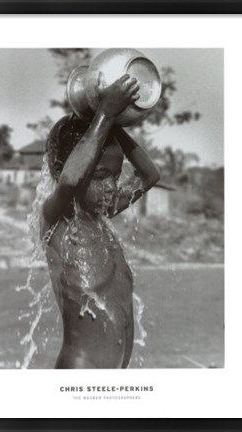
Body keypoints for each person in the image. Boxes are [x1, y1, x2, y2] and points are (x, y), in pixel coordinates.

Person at [41, 73, 160, 368]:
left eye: (116, 176)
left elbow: (150, 176)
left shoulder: (102, 215)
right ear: (57, 170)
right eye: (100, 176)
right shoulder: (58, 220)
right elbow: (70, 181)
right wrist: (104, 113)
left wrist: (115, 124)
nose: (111, 187)